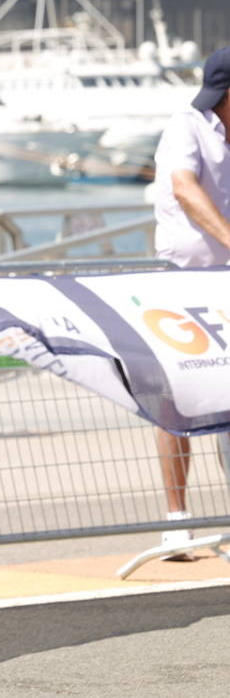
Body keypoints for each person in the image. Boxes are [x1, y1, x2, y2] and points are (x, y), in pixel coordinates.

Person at [150, 46, 230, 558]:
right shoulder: (187, 124)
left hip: (224, 281)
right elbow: (184, 188)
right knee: (175, 401)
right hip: (182, 282)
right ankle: (177, 520)